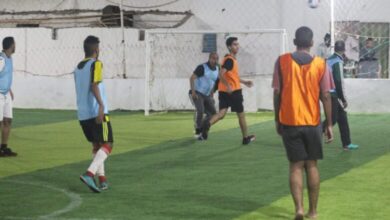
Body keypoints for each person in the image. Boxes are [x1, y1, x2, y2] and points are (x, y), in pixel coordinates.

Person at [273, 27, 334, 220]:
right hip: (313, 121)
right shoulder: (321, 64)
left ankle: (298, 209)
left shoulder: (281, 61)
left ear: (294, 41)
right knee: (312, 165)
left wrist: (277, 118)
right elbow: (325, 95)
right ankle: (313, 212)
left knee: (295, 166)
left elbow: (277, 93)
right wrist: (330, 124)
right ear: (311, 42)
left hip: (290, 121)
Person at [74, 36, 113, 193]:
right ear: (96, 50)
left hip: (82, 114)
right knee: (108, 144)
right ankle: (89, 174)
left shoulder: (77, 67)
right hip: (96, 111)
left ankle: (102, 180)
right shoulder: (96, 64)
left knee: (97, 146)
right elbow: (94, 85)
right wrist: (101, 106)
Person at [200, 37, 255, 145]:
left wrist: (244, 82)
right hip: (233, 92)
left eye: (237, 44)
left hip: (223, 91)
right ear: (229, 47)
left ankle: (208, 124)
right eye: (235, 44)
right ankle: (245, 138)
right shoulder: (230, 60)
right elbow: (221, 74)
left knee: (221, 113)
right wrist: (228, 86)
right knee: (241, 115)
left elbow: (232, 76)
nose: (237, 46)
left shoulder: (228, 59)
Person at [324, 41, 359, 151]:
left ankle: (347, 144)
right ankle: (310, 137)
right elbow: (338, 81)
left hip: (326, 91)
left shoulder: (329, 59)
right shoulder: (338, 62)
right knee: (333, 119)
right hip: (332, 93)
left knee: (342, 117)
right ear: (344, 50)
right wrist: (343, 99)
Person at [189, 52, 219, 138]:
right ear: (209, 58)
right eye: (213, 58)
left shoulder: (217, 68)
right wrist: (193, 92)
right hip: (197, 92)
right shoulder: (202, 67)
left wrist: (212, 94)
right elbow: (192, 78)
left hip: (207, 95)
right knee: (201, 110)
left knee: (213, 114)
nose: (215, 60)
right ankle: (198, 129)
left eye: (217, 58)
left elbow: (213, 82)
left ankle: (204, 125)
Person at [0, 37, 17, 157]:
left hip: (6, 94)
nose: (15, 46)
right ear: (11, 45)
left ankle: (4, 147)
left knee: (8, 120)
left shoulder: (10, 59)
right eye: (15, 44)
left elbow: (5, 76)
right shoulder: (1, 59)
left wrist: (9, 90)